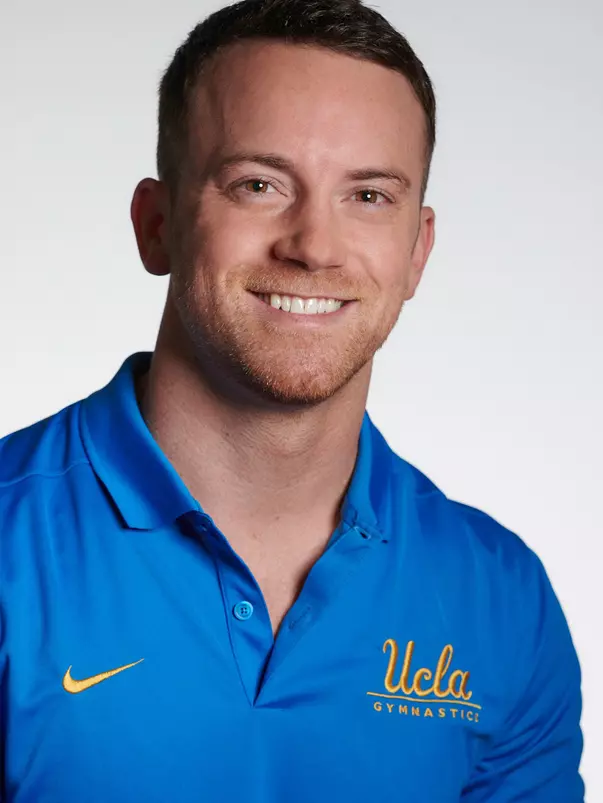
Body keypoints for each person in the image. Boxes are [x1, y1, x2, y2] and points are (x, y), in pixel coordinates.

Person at [0, 0, 584, 800]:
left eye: (369, 196)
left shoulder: (500, 598)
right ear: (157, 223)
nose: (312, 245)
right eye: (259, 183)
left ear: (417, 251)